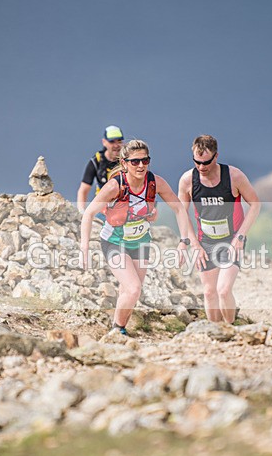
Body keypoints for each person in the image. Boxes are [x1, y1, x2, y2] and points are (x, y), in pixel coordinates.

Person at [81, 139, 203, 335]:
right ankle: (117, 330)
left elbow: (179, 208)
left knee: (128, 291)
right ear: (124, 163)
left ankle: (119, 330)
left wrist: (183, 242)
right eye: (135, 162)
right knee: (133, 288)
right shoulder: (114, 186)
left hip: (141, 242)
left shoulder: (155, 182)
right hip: (114, 241)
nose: (141, 166)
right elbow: (88, 214)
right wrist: (84, 248)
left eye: (145, 161)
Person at [177, 135, 262, 324]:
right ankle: (214, 331)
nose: (201, 167)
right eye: (197, 162)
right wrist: (194, 245)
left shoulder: (234, 176)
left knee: (223, 290)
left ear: (216, 156)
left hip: (231, 239)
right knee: (209, 292)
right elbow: (182, 215)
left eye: (206, 162)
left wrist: (240, 236)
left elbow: (255, 204)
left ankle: (230, 328)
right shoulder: (187, 180)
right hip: (205, 241)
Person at [76, 125, 124, 214]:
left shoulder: (129, 160)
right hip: (103, 208)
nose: (116, 145)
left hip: (124, 207)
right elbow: (83, 190)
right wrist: (81, 211)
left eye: (119, 141)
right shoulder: (96, 161)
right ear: (104, 142)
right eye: (112, 142)